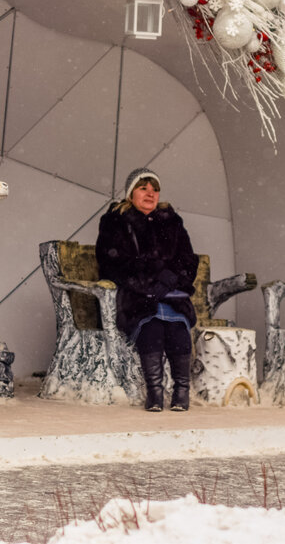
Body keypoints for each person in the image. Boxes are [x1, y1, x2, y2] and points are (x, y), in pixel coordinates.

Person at [96, 167, 198, 411]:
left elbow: (188, 260)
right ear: (131, 193)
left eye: (155, 189)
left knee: (178, 331)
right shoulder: (115, 221)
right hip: (137, 296)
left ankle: (182, 392)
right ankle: (155, 393)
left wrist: (171, 279)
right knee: (151, 329)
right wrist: (151, 280)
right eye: (143, 188)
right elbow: (111, 261)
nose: (150, 194)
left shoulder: (171, 222)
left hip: (172, 295)